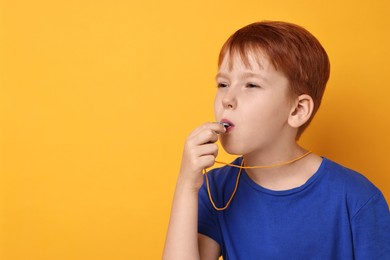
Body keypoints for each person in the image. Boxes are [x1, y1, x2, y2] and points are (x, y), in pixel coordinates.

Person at [162, 21, 390, 260]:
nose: (227, 99)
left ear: (297, 110)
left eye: (251, 84)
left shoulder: (356, 197)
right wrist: (186, 185)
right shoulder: (214, 189)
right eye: (223, 84)